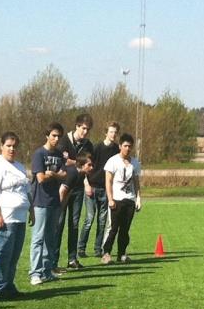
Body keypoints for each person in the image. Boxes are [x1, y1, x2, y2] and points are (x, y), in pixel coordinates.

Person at [0, 132, 31, 298]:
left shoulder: (20, 166)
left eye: (14, 146)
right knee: (4, 253)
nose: (12, 149)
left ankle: (9, 286)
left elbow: (26, 191)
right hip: (3, 218)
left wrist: (30, 210)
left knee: (14, 255)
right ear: (1, 146)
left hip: (19, 218)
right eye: (8, 145)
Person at [28, 123, 70, 286]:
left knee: (50, 238)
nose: (56, 138)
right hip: (40, 201)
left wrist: (52, 174)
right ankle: (35, 273)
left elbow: (64, 174)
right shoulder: (39, 154)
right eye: (53, 135)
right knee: (38, 238)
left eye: (59, 136)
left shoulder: (59, 154)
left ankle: (47, 270)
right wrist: (54, 174)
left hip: (54, 200)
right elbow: (40, 178)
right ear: (47, 136)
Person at [59, 113, 95, 269]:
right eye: (83, 128)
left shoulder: (88, 145)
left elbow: (88, 167)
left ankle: (72, 259)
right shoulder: (63, 141)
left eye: (88, 129)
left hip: (78, 188)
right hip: (63, 187)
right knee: (58, 224)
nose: (85, 132)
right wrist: (78, 163)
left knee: (74, 224)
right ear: (77, 126)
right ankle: (53, 261)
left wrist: (87, 183)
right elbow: (62, 161)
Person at [82, 120, 120, 264]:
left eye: (115, 132)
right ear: (106, 133)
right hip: (93, 187)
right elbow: (86, 166)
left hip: (106, 190)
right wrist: (86, 183)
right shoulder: (97, 147)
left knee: (102, 221)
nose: (113, 134)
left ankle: (98, 248)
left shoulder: (116, 149)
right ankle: (81, 248)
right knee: (89, 219)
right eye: (111, 132)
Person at [101, 133, 142, 263]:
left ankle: (122, 254)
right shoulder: (112, 161)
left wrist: (138, 198)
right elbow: (108, 181)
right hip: (116, 200)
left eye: (130, 146)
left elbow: (136, 181)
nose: (127, 149)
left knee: (125, 230)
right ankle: (106, 253)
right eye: (125, 146)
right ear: (120, 146)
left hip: (129, 200)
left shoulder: (135, 163)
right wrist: (110, 198)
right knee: (113, 228)